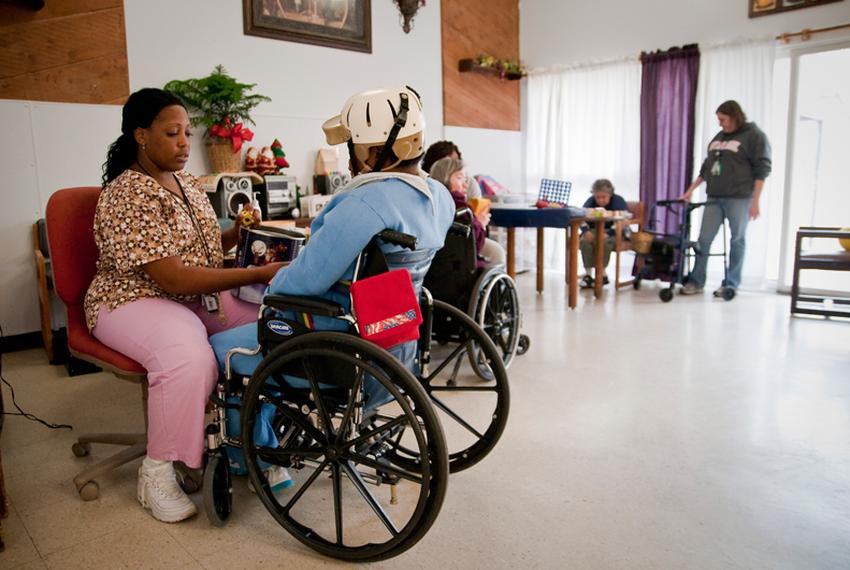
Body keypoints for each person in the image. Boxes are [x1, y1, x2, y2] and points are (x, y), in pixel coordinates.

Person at [85, 88, 284, 523]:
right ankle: (156, 471)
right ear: (141, 135)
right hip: (133, 299)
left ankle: (248, 441)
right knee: (188, 358)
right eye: (172, 133)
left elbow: (204, 243)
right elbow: (172, 276)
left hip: (195, 296)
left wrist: (240, 231)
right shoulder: (127, 193)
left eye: (187, 133)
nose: (183, 143)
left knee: (277, 324)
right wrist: (255, 274)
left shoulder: (186, 182)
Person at [210, 85, 455, 399]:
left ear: (374, 153)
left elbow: (303, 281)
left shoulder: (363, 202)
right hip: (398, 337)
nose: (349, 158)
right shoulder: (440, 197)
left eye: (352, 146)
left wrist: (271, 284)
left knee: (220, 349)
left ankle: (247, 446)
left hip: (337, 344)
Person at [679, 100, 772, 297]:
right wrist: (690, 190)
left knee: (737, 240)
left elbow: (762, 170)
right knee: (703, 239)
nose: (720, 123)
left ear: (734, 116)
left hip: (740, 197)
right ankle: (696, 281)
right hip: (714, 197)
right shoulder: (719, 137)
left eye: (723, 119)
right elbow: (706, 168)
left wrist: (755, 201)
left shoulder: (754, 136)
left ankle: (731, 283)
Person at [429, 156, 506, 266]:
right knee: (496, 255)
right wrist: (480, 224)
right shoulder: (461, 208)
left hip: (435, 265)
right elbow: (476, 245)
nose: (466, 185)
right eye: (460, 178)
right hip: (460, 265)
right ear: (444, 178)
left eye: (465, 180)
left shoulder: (430, 201)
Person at [579, 178, 628, 288]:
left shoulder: (618, 201)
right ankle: (588, 275)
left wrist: (609, 233)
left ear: (610, 195)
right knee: (584, 241)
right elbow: (581, 217)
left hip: (613, 231)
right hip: (593, 229)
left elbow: (623, 220)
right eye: (598, 197)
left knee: (604, 242)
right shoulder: (590, 201)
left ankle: (601, 273)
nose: (600, 200)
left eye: (604, 197)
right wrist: (586, 232)